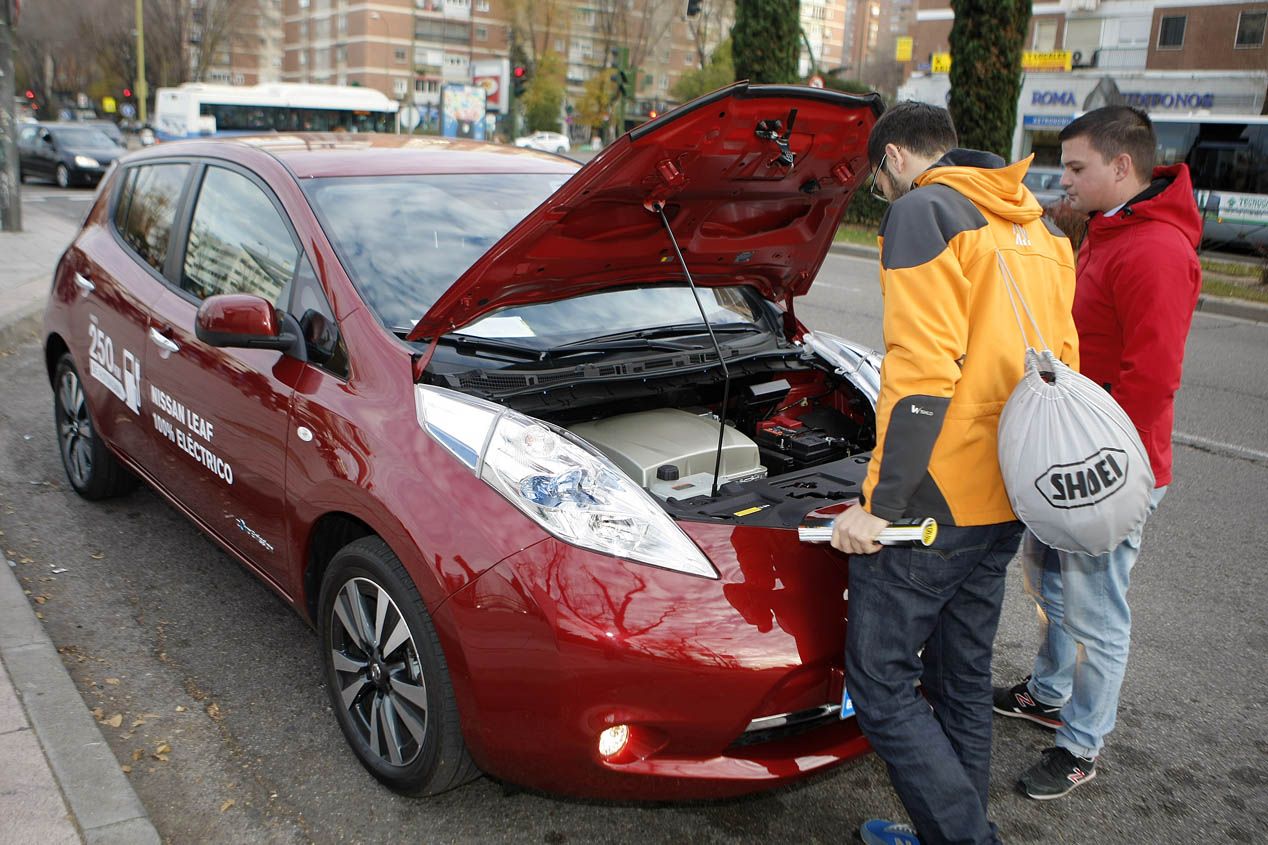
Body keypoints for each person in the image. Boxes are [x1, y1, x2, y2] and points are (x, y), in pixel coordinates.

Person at [832, 102, 1079, 845]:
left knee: (880, 684)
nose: (883, 193)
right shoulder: (1039, 224)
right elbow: (1065, 359)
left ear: (895, 158)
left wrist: (880, 503)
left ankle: (966, 839)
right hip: (1010, 486)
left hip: (936, 499)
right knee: (960, 677)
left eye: (878, 180)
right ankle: (954, 832)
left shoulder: (924, 213)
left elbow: (921, 372)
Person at [993, 105, 1202, 800]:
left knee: (1096, 611)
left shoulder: (1156, 249)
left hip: (1107, 470)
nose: (1066, 179)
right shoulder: (1112, 228)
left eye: (1078, 167)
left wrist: (1106, 471)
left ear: (1122, 165)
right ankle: (1049, 692)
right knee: (1051, 583)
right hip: (1075, 458)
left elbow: (1153, 377)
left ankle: (1080, 745)